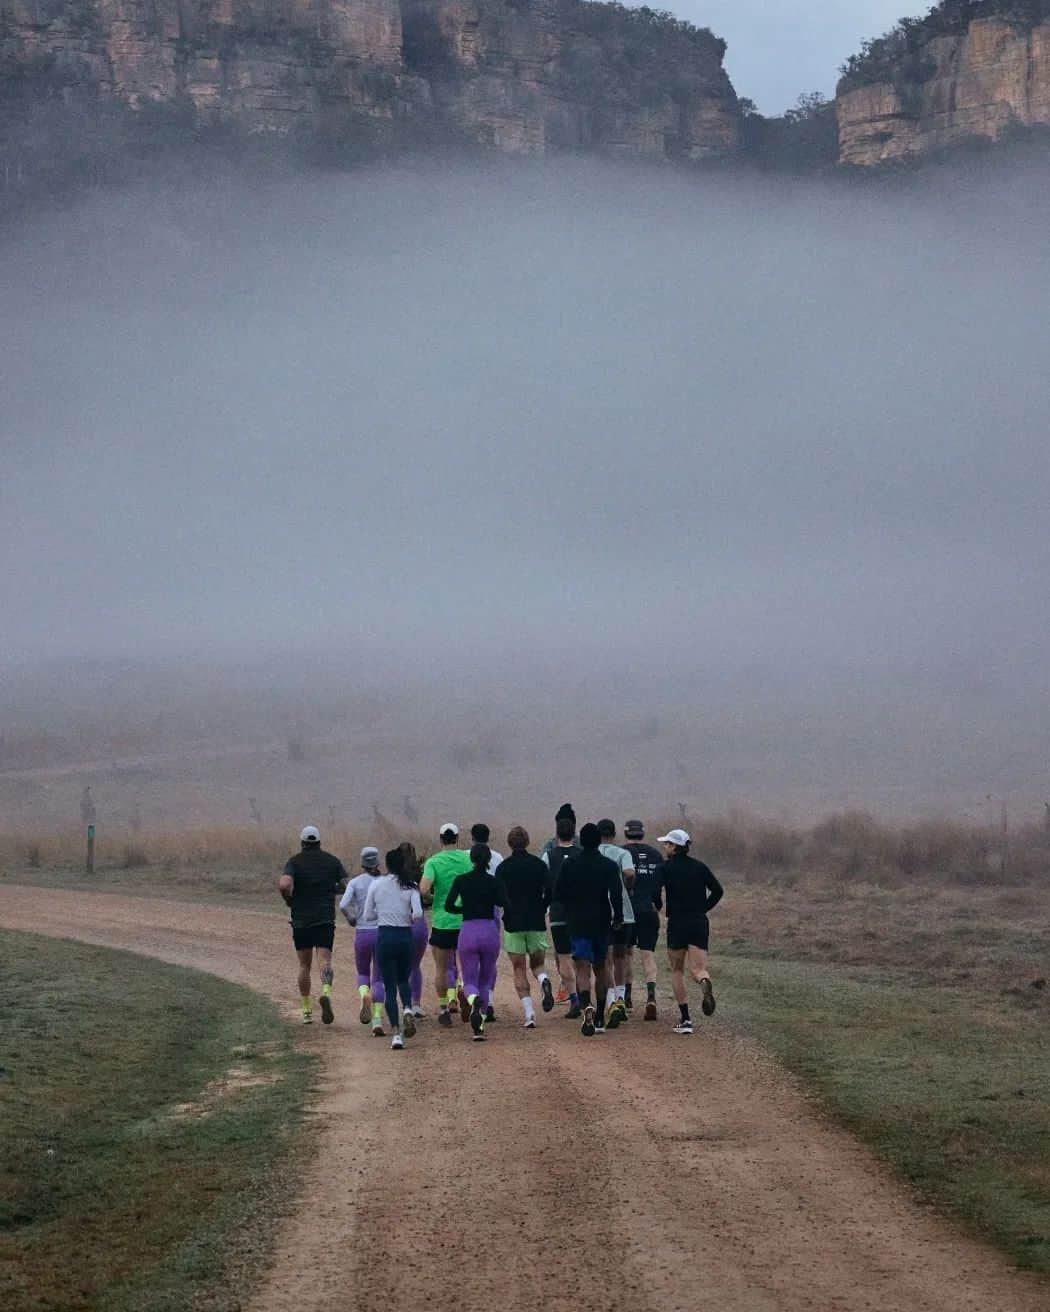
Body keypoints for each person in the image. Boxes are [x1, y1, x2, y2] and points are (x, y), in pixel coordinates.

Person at [553, 823, 624, 1036]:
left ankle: (587, 1008)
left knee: (582, 968)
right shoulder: (609, 866)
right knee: (601, 967)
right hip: (601, 921)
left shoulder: (570, 864)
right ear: (600, 840)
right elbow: (617, 895)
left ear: (580, 841)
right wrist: (618, 917)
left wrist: (570, 907)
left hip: (577, 921)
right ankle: (601, 1015)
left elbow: (558, 893)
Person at [278, 825, 349, 1025]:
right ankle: (326, 992)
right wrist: (332, 890)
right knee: (325, 961)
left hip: (301, 918)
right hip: (324, 917)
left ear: (302, 843)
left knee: (304, 965)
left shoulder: (294, 862)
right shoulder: (332, 861)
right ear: (319, 842)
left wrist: (288, 898)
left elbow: (284, 884)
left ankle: (307, 1010)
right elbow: (346, 884)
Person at [655, 828, 724, 1035]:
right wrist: (704, 907)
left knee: (677, 970)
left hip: (677, 923)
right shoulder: (700, 867)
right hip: (698, 922)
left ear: (675, 847)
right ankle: (704, 981)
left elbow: (654, 891)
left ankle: (686, 1019)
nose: (664, 847)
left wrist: (658, 904)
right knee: (697, 969)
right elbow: (718, 890)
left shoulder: (664, 868)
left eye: (667, 844)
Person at [362, 848, 424, 1050]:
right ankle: (407, 1008)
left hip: (385, 936)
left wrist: (384, 913)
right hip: (405, 936)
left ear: (386, 865)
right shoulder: (411, 886)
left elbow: (368, 915)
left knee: (389, 987)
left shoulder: (377, 884)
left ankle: (396, 1034)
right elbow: (418, 915)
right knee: (403, 980)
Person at [445, 843, 506, 1041]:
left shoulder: (461, 880)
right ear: (489, 860)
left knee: (469, 980)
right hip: (489, 930)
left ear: (471, 859)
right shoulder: (494, 881)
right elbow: (505, 903)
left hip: (469, 930)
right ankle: (480, 1024)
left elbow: (449, 905)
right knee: (485, 980)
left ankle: (473, 1001)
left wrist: (464, 911)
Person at [498, 826, 554, 1027]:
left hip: (513, 922)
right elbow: (550, 889)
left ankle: (530, 1013)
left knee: (519, 967)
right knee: (537, 964)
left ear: (509, 843)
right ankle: (543, 980)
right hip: (536, 920)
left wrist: (508, 908)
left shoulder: (503, 868)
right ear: (527, 842)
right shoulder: (539, 865)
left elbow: (499, 896)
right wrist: (543, 905)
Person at [420, 823, 472, 1027]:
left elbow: (423, 889)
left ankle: (443, 1007)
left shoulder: (433, 861)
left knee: (442, 967)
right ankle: (461, 989)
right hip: (464, 919)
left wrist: (435, 898)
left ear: (440, 839)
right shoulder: (467, 859)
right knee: (464, 964)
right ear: (457, 838)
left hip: (442, 921)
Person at [339, 846, 387, 1036]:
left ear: (362, 863)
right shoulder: (384, 882)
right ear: (377, 863)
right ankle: (376, 1019)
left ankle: (364, 994)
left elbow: (343, 904)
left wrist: (351, 918)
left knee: (363, 972)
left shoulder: (355, 882)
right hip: (382, 932)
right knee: (380, 978)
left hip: (363, 932)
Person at [622, 819, 664, 1020]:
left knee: (627, 954)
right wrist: (657, 903)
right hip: (648, 910)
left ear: (625, 833)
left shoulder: (622, 853)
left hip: (628, 910)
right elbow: (658, 885)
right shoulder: (656, 855)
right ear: (643, 833)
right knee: (647, 955)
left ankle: (628, 998)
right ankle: (651, 996)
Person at [540, 803, 580, 1012]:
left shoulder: (549, 850)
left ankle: (572, 995)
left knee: (562, 954)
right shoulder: (583, 850)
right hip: (581, 911)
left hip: (557, 911)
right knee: (581, 955)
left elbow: (543, 879)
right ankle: (583, 995)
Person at [597, 819, 635, 1030]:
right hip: (625, 912)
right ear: (614, 834)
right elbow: (629, 873)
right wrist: (628, 888)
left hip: (601, 913)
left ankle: (610, 999)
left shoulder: (594, 854)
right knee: (621, 957)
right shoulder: (622, 853)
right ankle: (621, 998)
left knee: (605, 959)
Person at [470, 822, 503, 1021]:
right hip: (492, 913)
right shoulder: (497, 857)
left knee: (469, 958)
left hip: (468, 914)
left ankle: (471, 996)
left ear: (472, 837)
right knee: (490, 959)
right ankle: (488, 999)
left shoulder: (466, 856)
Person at [399, 840, 428, 1017]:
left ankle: (405, 1004)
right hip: (419, 925)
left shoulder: (393, 879)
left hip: (399, 924)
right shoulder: (420, 876)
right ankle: (416, 1004)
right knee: (415, 965)